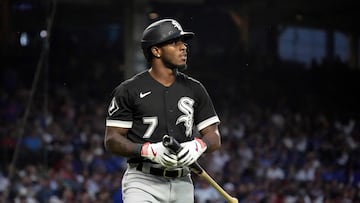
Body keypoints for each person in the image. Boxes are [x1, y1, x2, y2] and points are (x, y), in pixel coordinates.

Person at [104, 18, 222, 203]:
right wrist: (147, 150)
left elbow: (214, 136)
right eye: (175, 42)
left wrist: (199, 145)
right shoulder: (129, 90)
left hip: (182, 181)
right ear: (156, 51)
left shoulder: (195, 88)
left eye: (183, 42)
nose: (183, 47)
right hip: (143, 181)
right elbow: (112, 140)